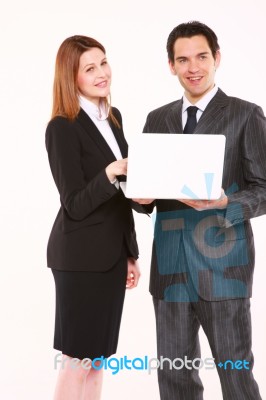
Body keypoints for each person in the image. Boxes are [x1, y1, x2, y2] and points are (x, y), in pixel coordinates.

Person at [134, 21, 266, 399]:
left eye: (202, 57)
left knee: (236, 377)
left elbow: (264, 188)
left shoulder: (245, 114)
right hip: (171, 270)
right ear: (171, 65)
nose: (193, 67)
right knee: (175, 379)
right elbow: (152, 193)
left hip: (224, 268)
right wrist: (142, 198)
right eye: (183, 59)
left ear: (217, 58)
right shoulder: (157, 119)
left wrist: (228, 202)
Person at [45, 35, 141, 400]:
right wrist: (110, 173)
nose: (102, 73)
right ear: (72, 78)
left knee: (98, 360)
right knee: (78, 361)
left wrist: (129, 252)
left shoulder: (113, 118)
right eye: (90, 68)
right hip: (80, 258)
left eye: (103, 62)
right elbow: (74, 202)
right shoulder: (62, 127)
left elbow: (123, 196)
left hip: (110, 256)